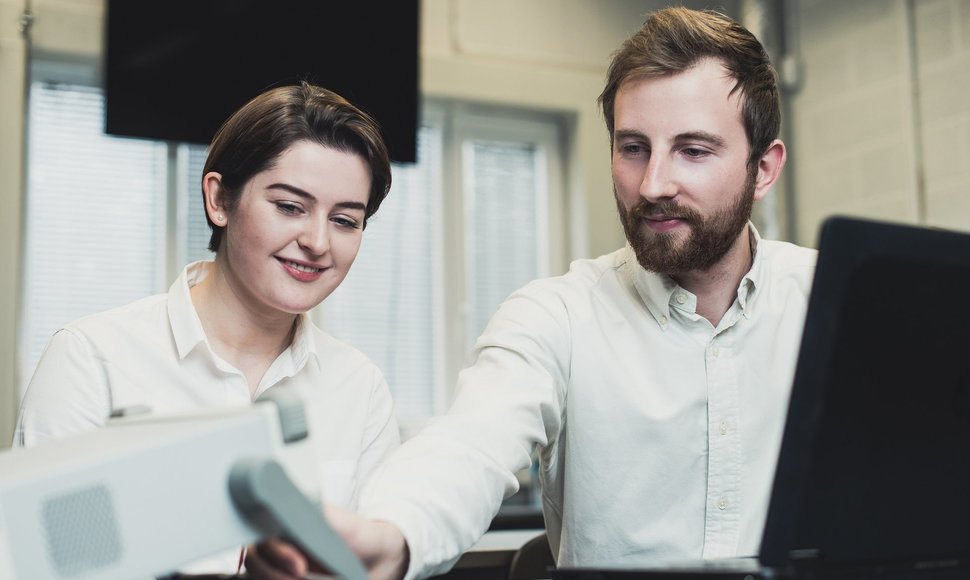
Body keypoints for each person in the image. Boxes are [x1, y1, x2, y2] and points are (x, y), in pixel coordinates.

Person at [248, 6, 818, 580]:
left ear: (764, 169)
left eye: (693, 150)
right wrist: (390, 536)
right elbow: (469, 445)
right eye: (633, 148)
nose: (652, 185)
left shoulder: (832, 305)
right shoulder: (556, 316)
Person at [14, 81, 400, 574]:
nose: (318, 241)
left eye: (346, 220)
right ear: (219, 199)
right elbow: (51, 568)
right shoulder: (93, 359)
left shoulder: (360, 387)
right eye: (289, 207)